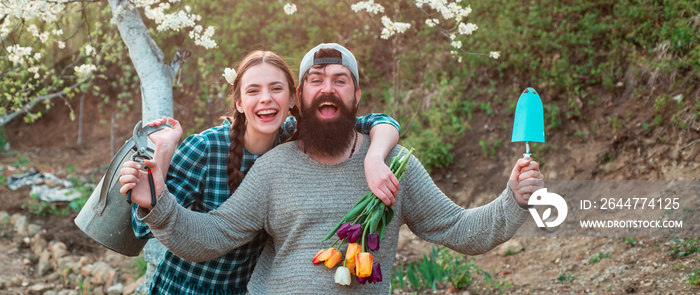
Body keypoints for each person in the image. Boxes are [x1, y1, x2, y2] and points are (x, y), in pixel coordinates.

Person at [121, 43, 544, 294]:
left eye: (340, 80)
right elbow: (212, 235)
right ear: (299, 97)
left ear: (357, 95)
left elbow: (459, 229)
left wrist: (513, 199)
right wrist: (158, 204)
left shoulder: (395, 163)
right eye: (317, 80)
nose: (328, 89)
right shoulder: (274, 166)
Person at [120, 50, 402, 294]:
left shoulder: (295, 139)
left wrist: (374, 158)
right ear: (240, 102)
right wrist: (165, 155)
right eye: (253, 90)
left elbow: (378, 121)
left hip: (246, 288)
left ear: (293, 97)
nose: (265, 99)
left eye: (276, 89)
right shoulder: (206, 148)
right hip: (186, 286)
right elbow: (143, 227)